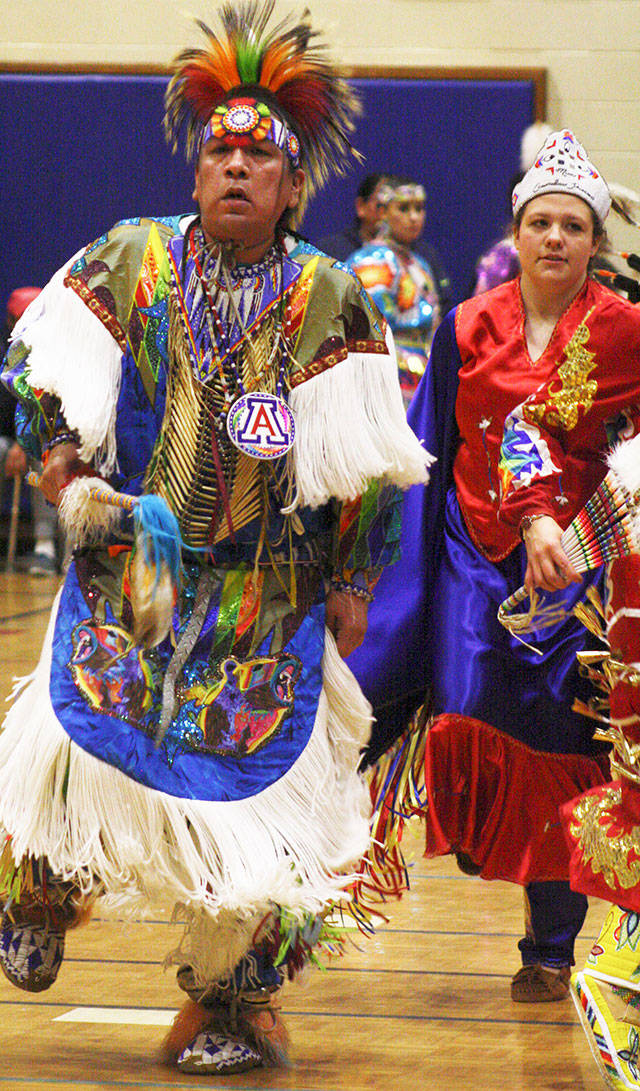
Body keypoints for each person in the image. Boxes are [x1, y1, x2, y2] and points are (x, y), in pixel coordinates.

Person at [0, 2, 430, 1077]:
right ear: (196, 174)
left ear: (292, 185)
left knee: (269, 808)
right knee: (74, 740)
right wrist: (65, 469)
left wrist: (354, 581)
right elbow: (31, 367)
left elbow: (373, 461)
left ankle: (233, 1001)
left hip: (266, 594)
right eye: (219, 151)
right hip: (133, 571)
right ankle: (44, 879)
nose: (236, 167)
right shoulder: (134, 259)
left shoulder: (330, 295)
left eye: (261, 155)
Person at [349, 129, 640, 1003]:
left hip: (584, 582)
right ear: (515, 234)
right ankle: (485, 840)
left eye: (573, 228)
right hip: (475, 560)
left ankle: (550, 943)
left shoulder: (625, 331)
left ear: (596, 242)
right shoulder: (466, 326)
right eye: (541, 223)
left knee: (568, 748)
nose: (556, 239)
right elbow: (428, 443)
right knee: (470, 713)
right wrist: (394, 569)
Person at [348, 176, 449, 406]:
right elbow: (371, 334)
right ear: (382, 211)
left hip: (421, 379)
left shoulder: (420, 263)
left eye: (419, 209)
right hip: (385, 382)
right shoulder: (372, 261)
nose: (414, 217)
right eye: (403, 208)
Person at [0, 287, 60, 575]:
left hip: (40, 439)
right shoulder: (5, 351)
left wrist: (21, 444)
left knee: (40, 455)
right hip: (5, 442)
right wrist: (12, 443)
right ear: (11, 321)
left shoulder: (54, 350)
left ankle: (45, 547)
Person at [316, 172, 388, 261]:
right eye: (382, 206)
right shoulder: (329, 252)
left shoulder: (408, 257)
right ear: (361, 206)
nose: (387, 215)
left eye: (401, 208)